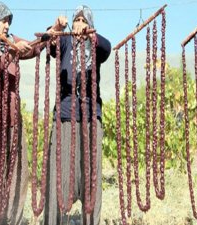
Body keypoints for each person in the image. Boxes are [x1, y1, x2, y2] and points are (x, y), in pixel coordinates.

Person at [0, 1, 44, 224]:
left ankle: (10, 219)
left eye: (9, 21)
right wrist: (13, 51)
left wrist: (49, 34)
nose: (6, 25)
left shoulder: (10, 42)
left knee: (18, 173)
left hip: (12, 120)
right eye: (3, 20)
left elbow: (31, 47)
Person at [43, 5, 111, 225]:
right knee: (59, 175)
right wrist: (56, 27)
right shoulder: (65, 41)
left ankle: (90, 221)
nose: (79, 25)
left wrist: (91, 35)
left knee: (91, 175)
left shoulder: (96, 45)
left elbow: (107, 47)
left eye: (84, 21)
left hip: (91, 118)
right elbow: (49, 43)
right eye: (76, 21)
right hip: (64, 116)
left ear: (90, 25)